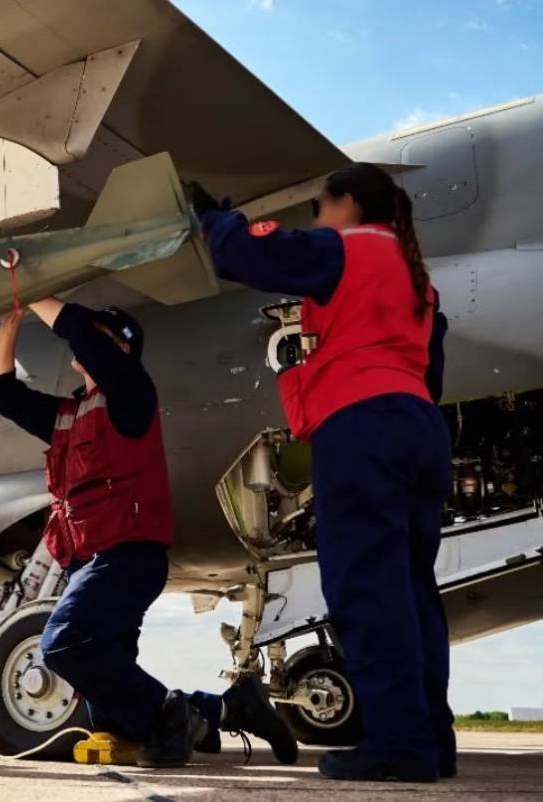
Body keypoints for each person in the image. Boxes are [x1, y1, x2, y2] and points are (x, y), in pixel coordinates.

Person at [189, 162, 453, 782]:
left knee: (366, 586)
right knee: (414, 593)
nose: (318, 221)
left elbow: (241, 256)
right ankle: (429, 739)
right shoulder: (417, 281)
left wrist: (213, 216)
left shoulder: (348, 250)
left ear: (349, 206)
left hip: (363, 427)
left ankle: (397, 744)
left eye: (321, 208)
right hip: (417, 426)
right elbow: (431, 374)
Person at [0, 297, 298, 768]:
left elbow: (82, 335)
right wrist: (10, 319)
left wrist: (34, 292)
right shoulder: (68, 414)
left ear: (119, 349)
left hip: (125, 556)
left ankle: (176, 716)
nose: (86, 337)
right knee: (111, 716)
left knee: (62, 644)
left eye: (99, 335)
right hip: (90, 562)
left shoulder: (130, 392)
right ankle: (234, 707)